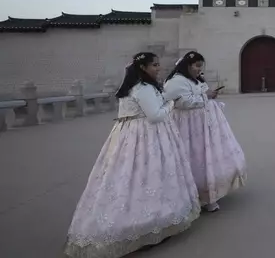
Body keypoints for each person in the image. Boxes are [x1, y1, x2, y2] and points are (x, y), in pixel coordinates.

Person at [64, 52, 200, 258]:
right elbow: (154, 116)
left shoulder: (139, 87)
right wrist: (171, 103)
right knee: (146, 178)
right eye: (154, 65)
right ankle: (143, 227)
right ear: (143, 68)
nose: (158, 68)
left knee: (135, 179)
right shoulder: (142, 88)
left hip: (135, 136)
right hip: (145, 138)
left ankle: (153, 221)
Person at [164, 51, 247, 212]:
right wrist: (205, 96)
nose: (198, 70)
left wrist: (209, 95)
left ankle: (210, 195)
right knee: (193, 158)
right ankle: (193, 196)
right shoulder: (176, 82)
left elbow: (200, 95)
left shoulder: (194, 79)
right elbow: (179, 103)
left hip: (204, 126)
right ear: (187, 65)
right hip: (188, 128)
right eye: (196, 66)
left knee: (208, 157)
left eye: (200, 66)